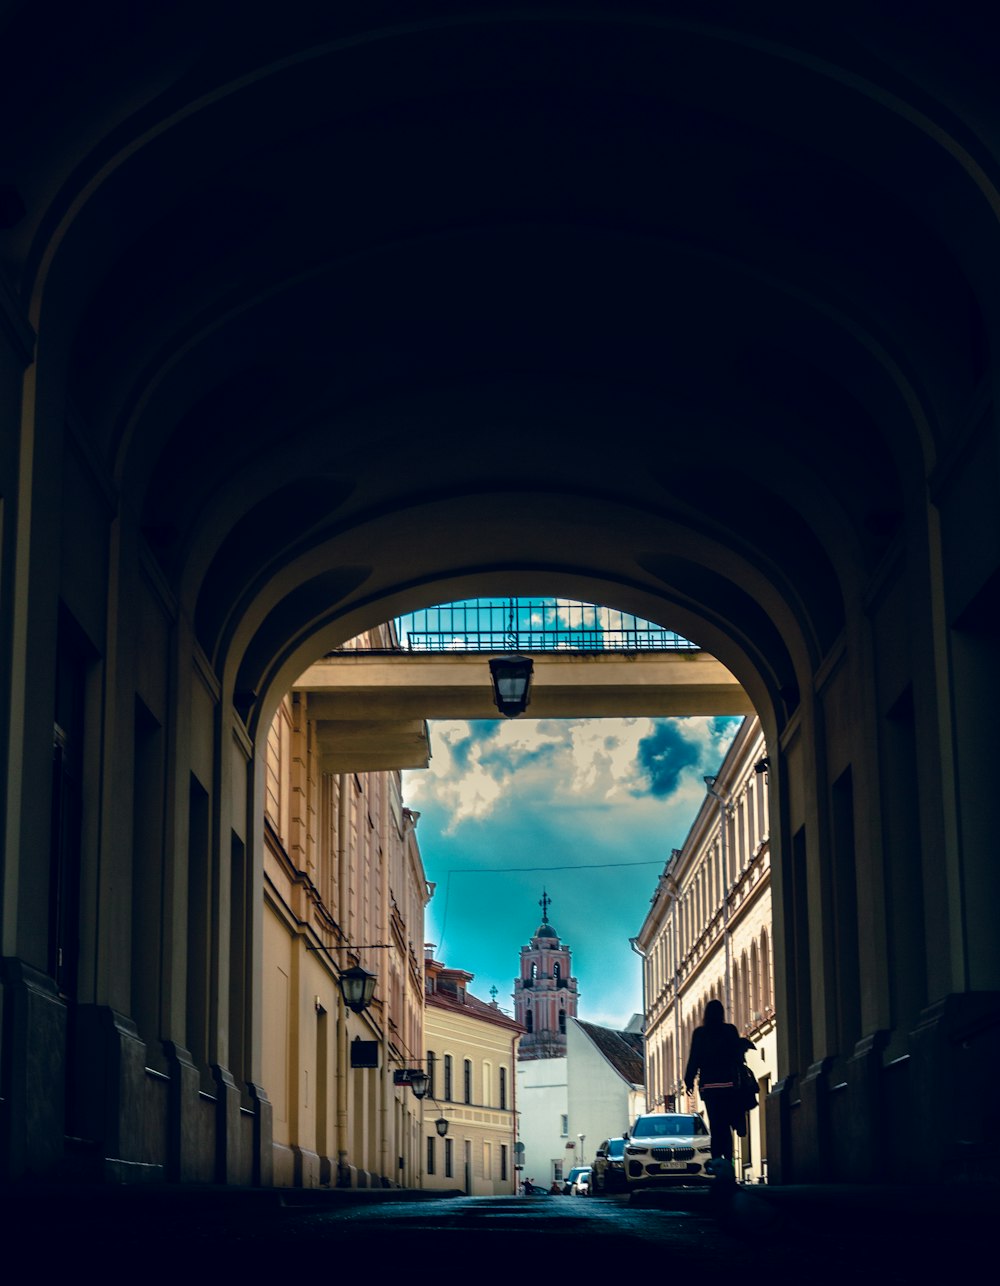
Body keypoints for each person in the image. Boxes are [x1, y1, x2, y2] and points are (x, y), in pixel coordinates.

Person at [684, 999, 754, 1164]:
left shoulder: (700, 1033)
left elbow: (694, 1059)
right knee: (727, 1124)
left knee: (716, 1125)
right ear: (722, 1014)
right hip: (728, 1086)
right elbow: (737, 1056)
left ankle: (717, 1164)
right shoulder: (729, 1030)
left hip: (709, 1088)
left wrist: (689, 1081)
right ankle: (729, 1161)